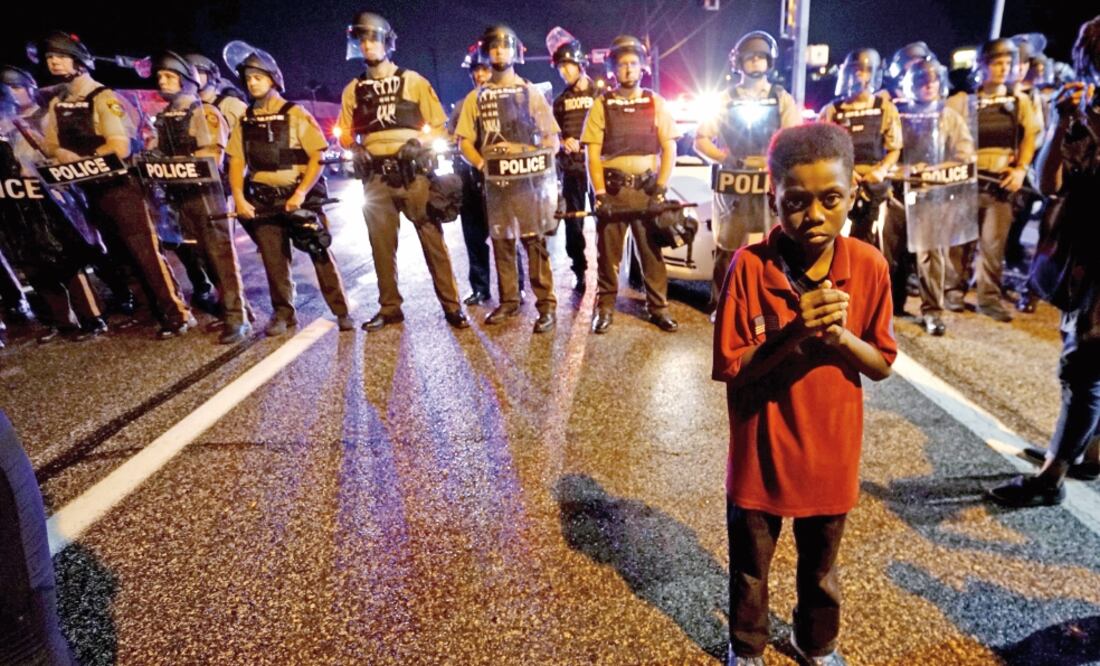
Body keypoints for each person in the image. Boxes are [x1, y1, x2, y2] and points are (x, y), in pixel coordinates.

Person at [713, 123, 896, 666]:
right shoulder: (748, 267)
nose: (813, 215)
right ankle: (746, 648)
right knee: (750, 568)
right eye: (795, 201)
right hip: (759, 457)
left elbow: (882, 363)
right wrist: (795, 333)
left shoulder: (867, 265)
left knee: (821, 567)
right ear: (774, 197)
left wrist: (839, 337)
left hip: (830, 455)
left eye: (830, 199)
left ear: (852, 195)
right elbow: (730, 367)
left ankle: (815, 643)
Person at [989, 15, 1100, 507]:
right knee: (1084, 356)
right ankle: (1086, 451)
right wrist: (1059, 123)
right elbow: (1049, 182)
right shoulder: (1084, 108)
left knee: (1083, 363)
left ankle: (1052, 475)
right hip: (1082, 252)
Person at [35, 30, 194, 338]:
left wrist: (80, 158)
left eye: (60, 56)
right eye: (49, 58)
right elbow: (50, 144)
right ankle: (154, 311)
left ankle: (177, 314)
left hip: (121, 190)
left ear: (78, 60)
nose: (53, 62)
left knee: (146, 254)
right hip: (89, 191)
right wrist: (61, 153)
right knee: (122, 257)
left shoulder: (103, 98)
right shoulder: (58, 104)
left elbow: (119, 147)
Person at [337, 11, 468, 331]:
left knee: (432, 239)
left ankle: (452, 306)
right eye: (362, 39)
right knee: (380, 246)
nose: (367, 45)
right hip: (375, 178)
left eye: (373, 38)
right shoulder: (353, 89)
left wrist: (419, 142)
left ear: (387, 43)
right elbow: (343, 133)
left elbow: (440, 127)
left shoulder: (414, 81)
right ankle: (390, 307)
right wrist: (353, 147)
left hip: (413, 174)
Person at [225, 42, 354, 336]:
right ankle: (284, 314)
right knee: (274, 263)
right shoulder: (246, 120)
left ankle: (341, 310)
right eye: (248, 78)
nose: (252, 82)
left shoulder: (295, 114)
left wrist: (300, 193)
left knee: (319, 253)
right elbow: (236, 161)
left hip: (299, 199)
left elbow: (317, 156)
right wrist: (239, 198)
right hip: (264, 202)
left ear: (272, 79)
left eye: (258, 77)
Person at [455, 25, 559, 333]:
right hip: (496, 183)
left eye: (505, 46)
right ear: (487, 52)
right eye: (494, 47)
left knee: (534, 242)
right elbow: (464, 142)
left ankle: (546, 305)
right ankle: (509, 301)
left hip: (527, 181)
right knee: (501, 241)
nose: (499, 51)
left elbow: (551, 137)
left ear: (514, 51)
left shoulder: (529, 92)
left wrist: (541, 161)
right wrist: (481, 164)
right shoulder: (477, 97)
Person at [695, 30, 801, 316]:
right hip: (734, 184)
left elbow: (793, 140)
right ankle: (721, 304)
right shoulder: (724, 99)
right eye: (750, 58)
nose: (755, 63)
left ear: (770, 61)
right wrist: (725, 157)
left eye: (760, 58)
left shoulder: (781, 98)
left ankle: (774, 304)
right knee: (727, 246)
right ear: (738, 62)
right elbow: (701, 139)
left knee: (776, 246)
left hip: (768, 181)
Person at [0, 65, 108, 343]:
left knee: (66, 261)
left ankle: (91, 318)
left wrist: (33, 169)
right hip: (13, 208)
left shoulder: (26, 127)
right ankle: (63, 322)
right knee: (35, 266)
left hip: (44, 203)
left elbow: (50, 155)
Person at [149, 51, 251, 343]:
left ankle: (237, 317)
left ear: (185, 79)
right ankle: (230, 310)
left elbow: (211, 157)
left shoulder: (203, 112)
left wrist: (170, 164)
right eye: (160, 76)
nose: (162, 81)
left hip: (206, 196)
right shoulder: (165, 117)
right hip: (178, 196)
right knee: (203, 258)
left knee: (220, 256)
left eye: (169, 76)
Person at [582, 34, 681, 334]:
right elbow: (593, 153)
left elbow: (670, 148)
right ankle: (605, 308)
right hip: (614, 191)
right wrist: (600, 194)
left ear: (642, 68)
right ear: (613, 68)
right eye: (622, 64)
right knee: (607, 256)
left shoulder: (655, 103)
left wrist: (661, 188)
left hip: (646, 190)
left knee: (652, 254)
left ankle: (658, 308)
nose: (627, 70)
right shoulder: (602, 104)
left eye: (633, 64)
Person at [945, 39, 1041, 322]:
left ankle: (988, 298)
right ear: (983, 66)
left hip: (1001, 184)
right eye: (997, 63)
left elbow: (1030, 137)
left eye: (1007, 63)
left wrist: (1021, 169)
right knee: (960, 243)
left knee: (992, 246)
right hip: (966, 182)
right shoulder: (965, 101)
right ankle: (953, 292)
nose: (1003, 69)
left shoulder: (1017, 101)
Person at [891, 58, 976, 336]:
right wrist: (903, 170)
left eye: (932, 81)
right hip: (897, 193)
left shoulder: (948, 117)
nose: (927, 86)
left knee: (931, 255)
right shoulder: (897, 113)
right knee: (893, 254)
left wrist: (932, 171)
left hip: (930, 195)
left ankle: (932, 310)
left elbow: (964, 157)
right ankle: (892, 305)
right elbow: (885, 150)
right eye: (920, 82)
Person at [818, 49, 902, 247]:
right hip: (840, 185)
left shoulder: (885, 108)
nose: (859, 76)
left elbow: (894, 148)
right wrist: (845, 172)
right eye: (855, 70)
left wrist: (881, 170)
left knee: (875, 244)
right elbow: (821, 150)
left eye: (864, 71)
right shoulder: (832, 110)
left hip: (876, 186)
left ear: (873, 74)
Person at [551, 37, 596, 290]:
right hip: (572, 170)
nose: (564, 71)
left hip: (598, 171)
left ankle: (606, 273)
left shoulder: (599, 95)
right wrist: (562, 140)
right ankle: (579, 270)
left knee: (606, 224)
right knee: (572, 224)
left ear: (580, 64)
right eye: (560, 68)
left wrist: (589, 144)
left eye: (568, 65)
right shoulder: (559, 101)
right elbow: (552, 133)